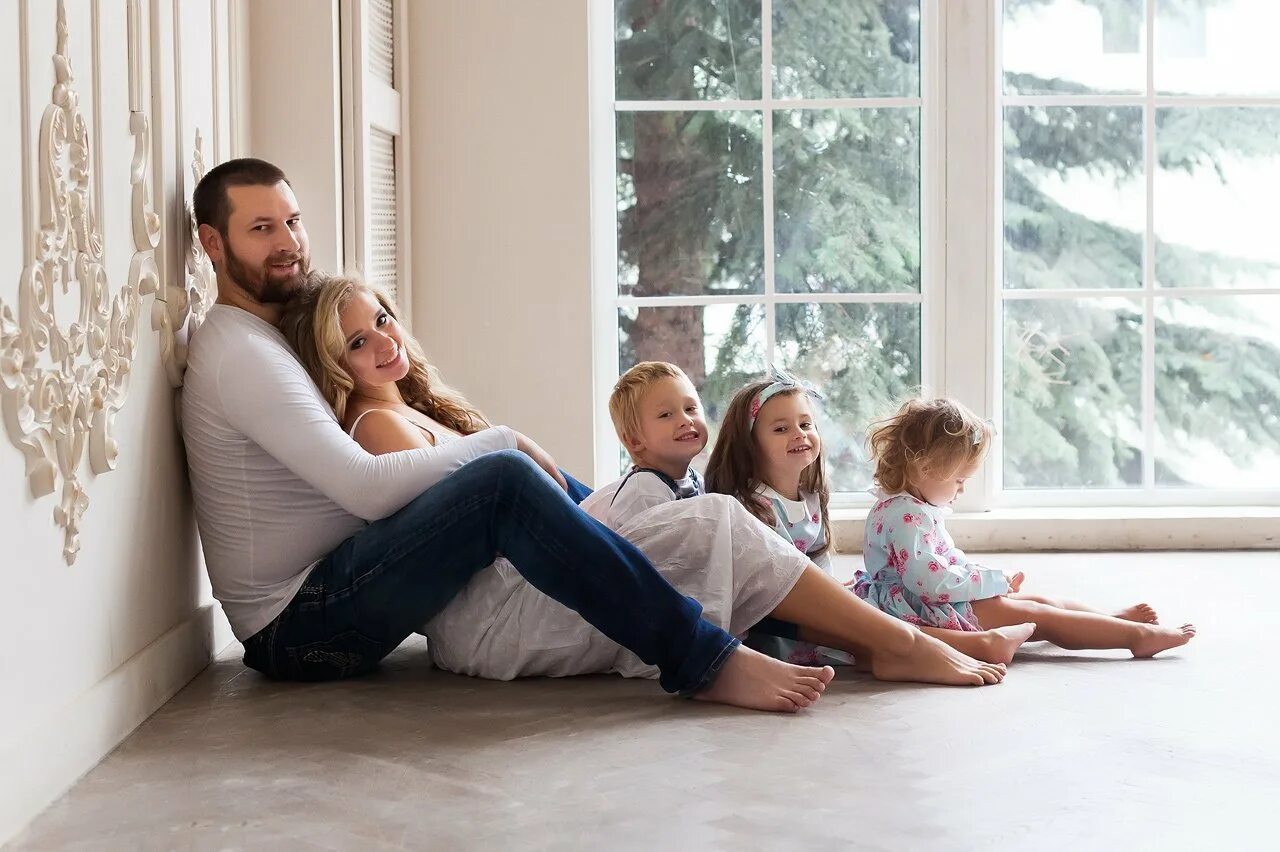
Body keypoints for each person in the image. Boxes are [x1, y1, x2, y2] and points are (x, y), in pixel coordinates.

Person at [182, 157, 838, 712]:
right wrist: (505, 440)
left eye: (292, 221)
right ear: (213, 244)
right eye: (261, 228)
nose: (288, 242)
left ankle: (807, 614)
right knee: (502, 480)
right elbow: (362, 486)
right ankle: (703, 659)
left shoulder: (265, 338)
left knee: (627, 521)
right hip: (296, 627)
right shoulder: (241, 351)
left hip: (329, 592)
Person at [282, 277, 1012, 691]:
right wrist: (517, 448)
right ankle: (899, 644)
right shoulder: (377, 427)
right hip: (492, 620)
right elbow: (458, 534)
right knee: (718, 524)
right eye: (356, 340)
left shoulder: (414, 410)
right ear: (333, 362)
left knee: (710, 532)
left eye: (382, 319)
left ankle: (893, 639)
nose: (383, 341)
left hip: (516, 589)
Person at [706, 373, 1038, 666]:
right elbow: (770, 595)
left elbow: (817, 568)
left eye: (806, 424)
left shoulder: (809, 499)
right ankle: (975, 645)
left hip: (811, 607)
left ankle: (950, 643)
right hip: (780, 626)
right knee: (874, 628)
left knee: (878, 607)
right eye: (781, 428)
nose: (799, 434)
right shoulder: (751, 508)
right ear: (749, 445)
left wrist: (840, 595)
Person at [854, 397, 1196, 658]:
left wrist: (982, 576)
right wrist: (992, 581)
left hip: (938, 598)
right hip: (927, 608)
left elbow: (941, 561)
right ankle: (1135, 638)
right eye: (959, 480)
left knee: (1045, 601)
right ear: (925, 467)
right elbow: (930, 583)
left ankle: (1108, 621)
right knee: (1040, 616)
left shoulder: (910, 507)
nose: (962, 489)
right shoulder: (906, 517)